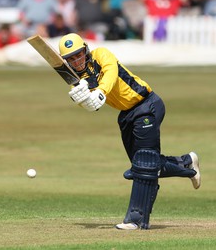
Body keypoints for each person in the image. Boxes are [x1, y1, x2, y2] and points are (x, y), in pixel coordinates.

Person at [58, 33, 201, 230]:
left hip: (147, 105)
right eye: (71, 59)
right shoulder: (80, 79)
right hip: (126, 115)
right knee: (144, 165)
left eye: (79, 54)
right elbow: (93, 105)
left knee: (144, 166)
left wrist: (100, 92)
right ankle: (186, 163)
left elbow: (110, 74)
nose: (77, 61)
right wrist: (84, 101)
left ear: (86, 50)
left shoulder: (101, 54)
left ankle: (136, 220)